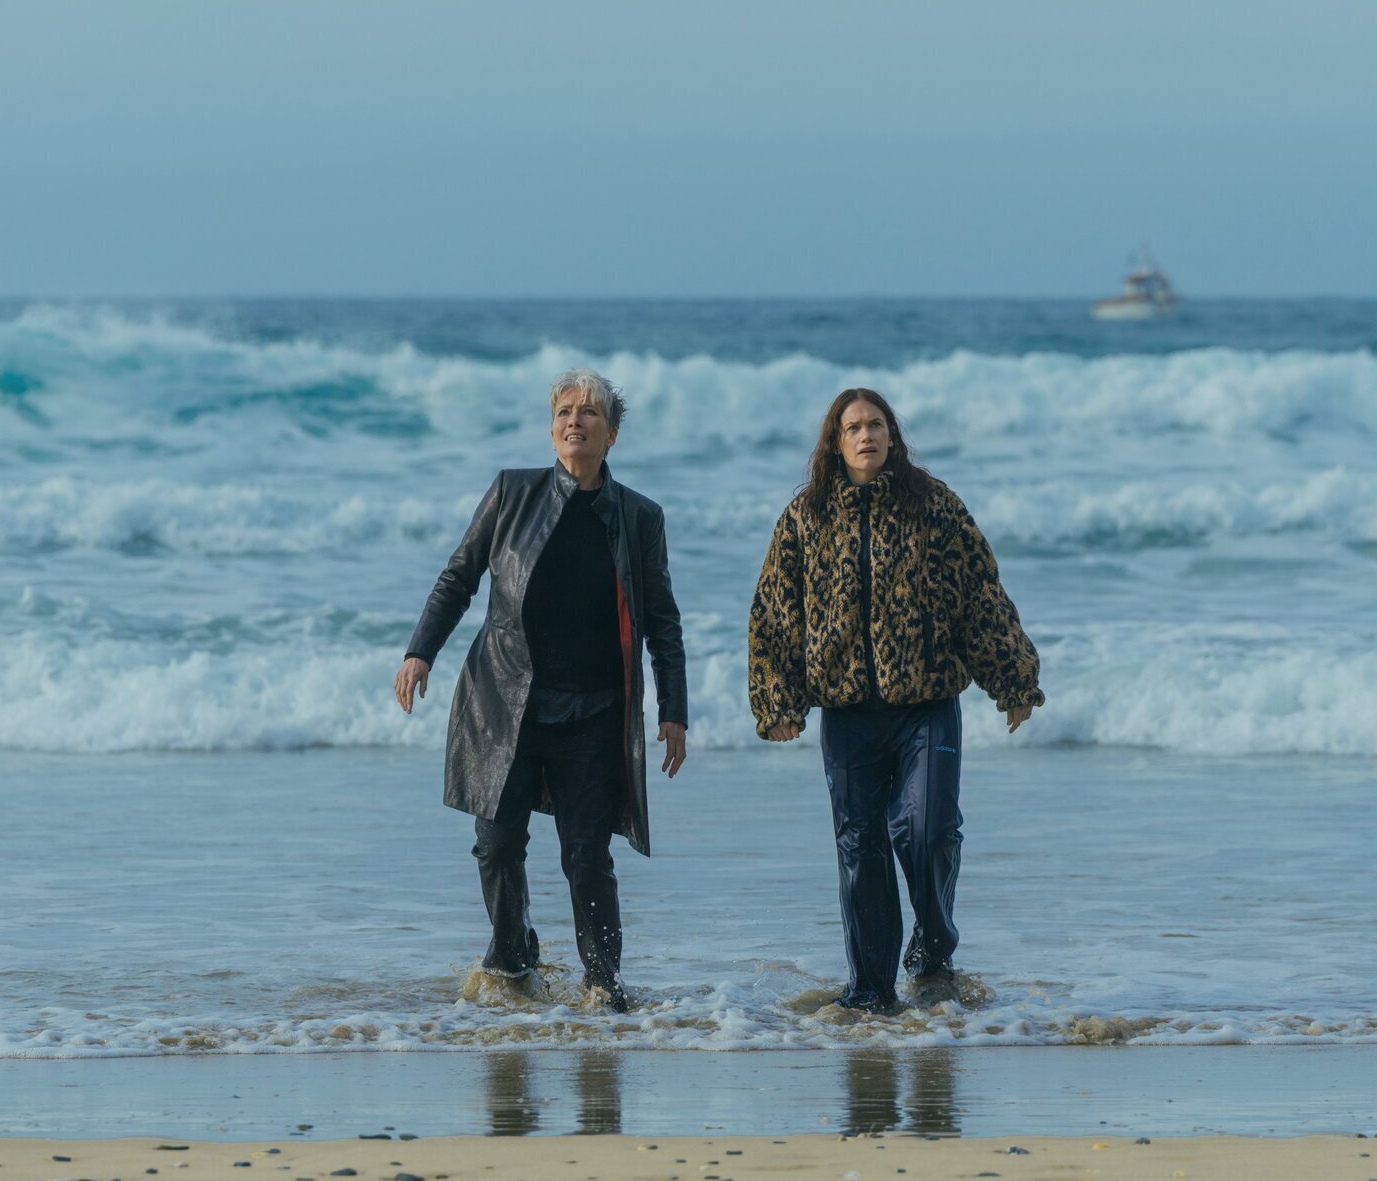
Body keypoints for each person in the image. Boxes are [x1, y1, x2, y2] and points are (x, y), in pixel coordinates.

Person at [396, 368, 688, 1012]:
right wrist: (421, 650)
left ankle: (603, 982)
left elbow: (663, 621)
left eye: (589, 413)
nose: (574, 421)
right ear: (552, 427)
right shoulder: (511, 494)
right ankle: (512, 960)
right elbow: (459, 577)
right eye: (564, 411)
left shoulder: (639, 517)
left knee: (587, 855)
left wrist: (674, 711)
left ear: (611, 434)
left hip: (593, 712)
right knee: (497, 844)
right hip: (505, 704)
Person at [748, 388, 1043, 1013]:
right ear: (835, 442)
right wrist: (777, 699)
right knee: (860, 850)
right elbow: (776, 613)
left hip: (925, 704)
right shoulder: (805, 516)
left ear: (892, 436)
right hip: (847, 712)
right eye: (852, 427)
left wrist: (1013, 678)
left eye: (876, 424)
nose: (866, 436)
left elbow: (981, 595)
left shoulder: (933, 506)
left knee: (929, 832)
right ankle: (870, 992)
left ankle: (934, 950)